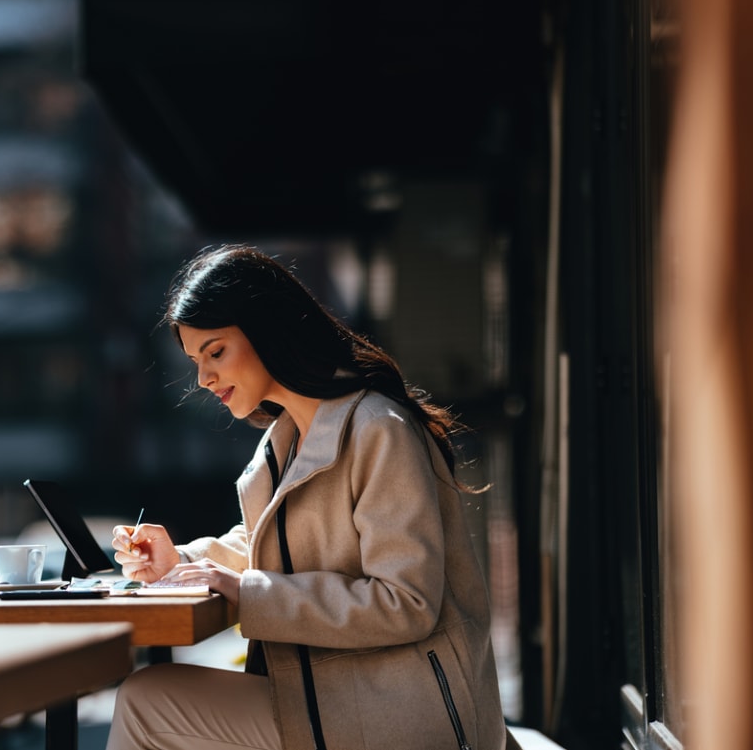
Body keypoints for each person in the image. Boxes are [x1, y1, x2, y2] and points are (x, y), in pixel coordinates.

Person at [107, 245, 517, 750]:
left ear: (268, 331)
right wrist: (182, 561)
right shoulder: (285, 438)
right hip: (336, 699)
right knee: (150, 696)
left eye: (216, 352)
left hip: (409, 716)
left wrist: (246, 591)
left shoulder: (376, 429)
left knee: (149, 702)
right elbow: (274, 543)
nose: (203, 378)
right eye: (195, 360)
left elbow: (406, 602)